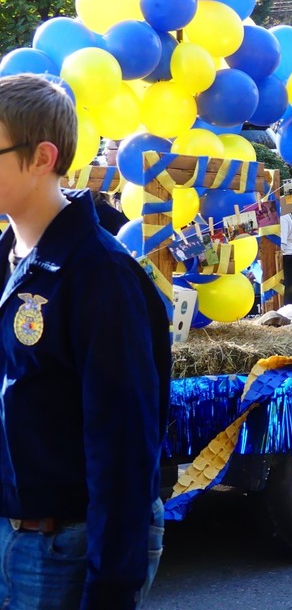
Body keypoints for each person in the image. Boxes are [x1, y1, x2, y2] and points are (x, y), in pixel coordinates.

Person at [0, 74, 171, 609]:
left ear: (41, 157)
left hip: (60, 549)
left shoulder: (101, 274)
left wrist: (110, 588)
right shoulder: (8, 259)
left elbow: (123, 444)